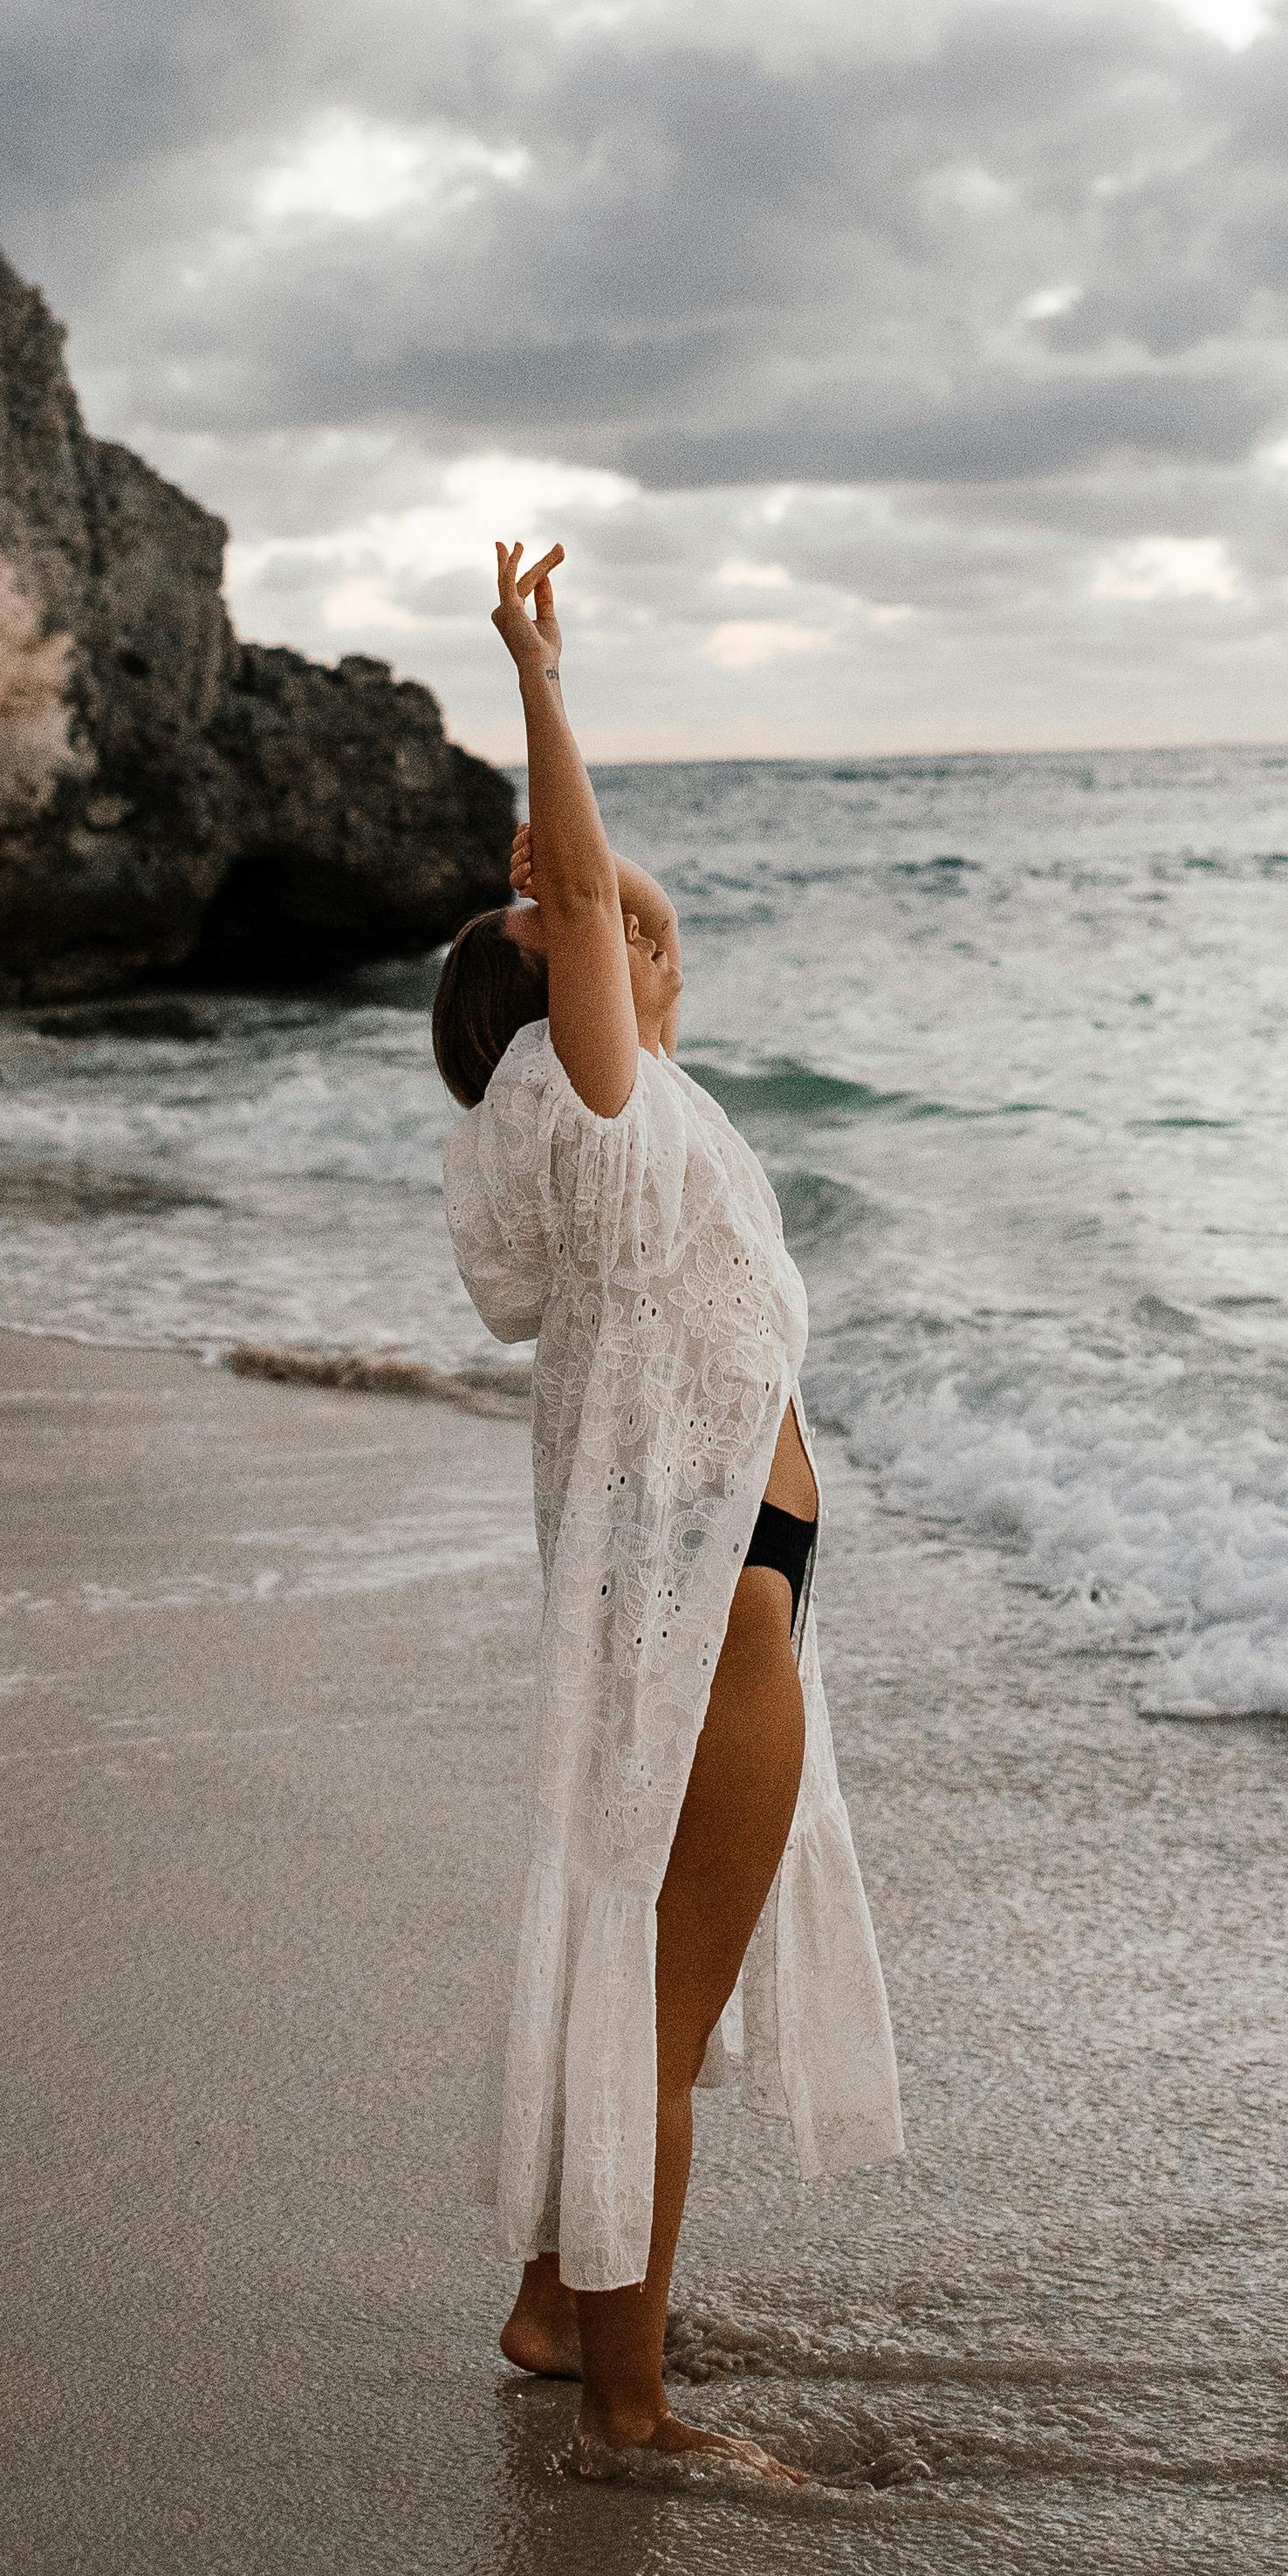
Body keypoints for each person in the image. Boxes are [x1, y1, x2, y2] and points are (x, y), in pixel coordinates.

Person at [436, 538, 901, 2476]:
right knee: (655, 2000)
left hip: (715, 1589)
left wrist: (593, 897)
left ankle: (565, 2306)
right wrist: (542, 682)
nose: (648, 942)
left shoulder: (615, 1139)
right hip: (715, 1611)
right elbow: (577, 913)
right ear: (552, 969)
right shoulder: (588, 1106)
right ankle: (629, 2417)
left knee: (650, 1982)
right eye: (610, 924)